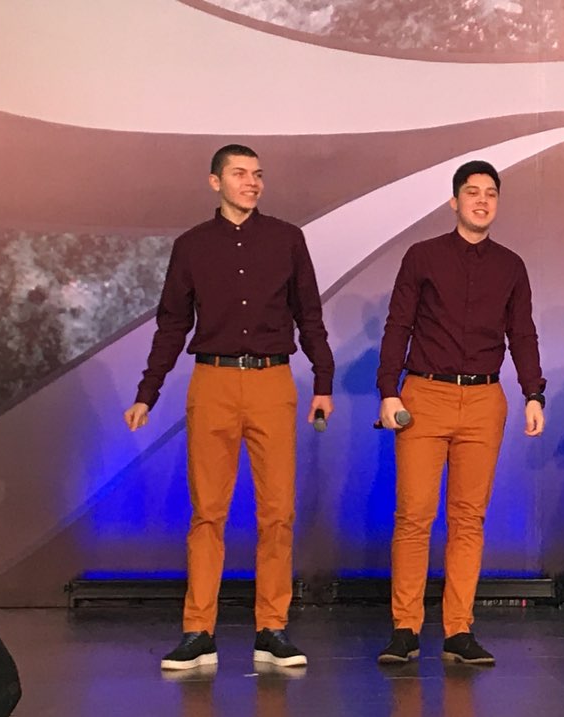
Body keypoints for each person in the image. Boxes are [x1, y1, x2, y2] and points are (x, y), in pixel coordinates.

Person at [123, 144, 335, 671]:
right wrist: (148, 391)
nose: (251, 182)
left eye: (257, 174)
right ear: (215, 182)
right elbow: (173, 323)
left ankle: (272, 629)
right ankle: (198, 631)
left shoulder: (287, 239)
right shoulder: (192, 246)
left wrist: (323, 381)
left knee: (277, 512)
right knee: (208, 513)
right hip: (213, 381)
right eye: (239, 174)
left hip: (272, 381)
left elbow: (309, 314)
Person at [374, 160, 546, 666]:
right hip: (424, 396)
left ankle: (458, 630)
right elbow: (398, 325)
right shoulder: (422, 256)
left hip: (484, 399)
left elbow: (523, 332)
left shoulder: (511, 266)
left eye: (491, 193)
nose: (482, 200)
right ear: (454, 201)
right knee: (414, 516)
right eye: (472, 192)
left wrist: (533, 392)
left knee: (469, 518)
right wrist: (388, 391)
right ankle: (405, 628)